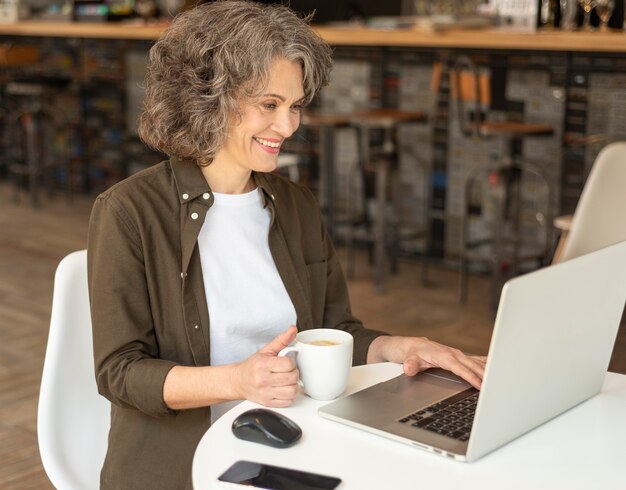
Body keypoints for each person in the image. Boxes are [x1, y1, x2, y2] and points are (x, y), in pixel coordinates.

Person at [87, 1, 487, 489]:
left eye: (295, 106)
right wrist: (236, 381)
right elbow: (120, 374)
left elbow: (332, 331)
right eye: (269, 105)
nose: (288, 126)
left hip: (296, 443)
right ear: (209, 99)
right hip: (185, 465)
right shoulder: (129, 212)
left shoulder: (294, 204)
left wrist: (402, 346)